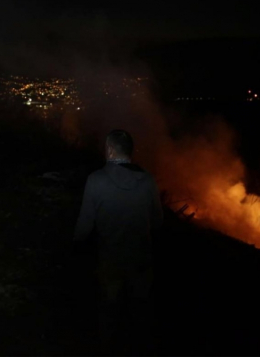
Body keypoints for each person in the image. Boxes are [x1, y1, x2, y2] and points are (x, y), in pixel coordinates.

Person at [73, 129, 163, 355]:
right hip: (141, 260)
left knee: (108, 313)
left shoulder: (96, 180)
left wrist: (74, 247)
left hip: (109, 261)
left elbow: (84, 226)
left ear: (111, 150)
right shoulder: (148, 181)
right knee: (140, 313)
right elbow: (158, 222)